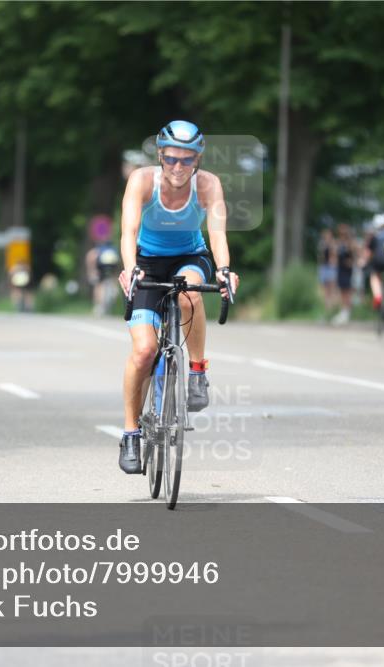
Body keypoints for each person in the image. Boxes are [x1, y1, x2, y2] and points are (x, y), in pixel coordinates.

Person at [115, 120, 240, 474]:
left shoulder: (208, 185)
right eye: (171, 159)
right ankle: (130, 433)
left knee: (189, 296)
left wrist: (224, 269)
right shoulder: (141, 181)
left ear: (197, 159)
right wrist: (130, 268)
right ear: (160, 156)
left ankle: (197, 371)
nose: (178, 167)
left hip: (189, 257)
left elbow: (217, 235)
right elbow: (129, 231)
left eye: (187, 160)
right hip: (147, 263)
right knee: (143, 352)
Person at [334, 224, 357, 324]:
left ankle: (347, 312)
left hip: (347, 270)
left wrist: (351, 262)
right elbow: (334, 255)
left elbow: (355, 255)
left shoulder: (351, 243)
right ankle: (343, 311)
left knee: (347, 291)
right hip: (340, 269)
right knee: (342, 291)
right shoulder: (338, 243)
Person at [317, 227, 338, 315]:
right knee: (325, 290)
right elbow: (320, 255)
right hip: (324, 267)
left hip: (331, 267)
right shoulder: (322, 244)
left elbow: (335, 254)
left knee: (332, 289)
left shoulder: (333, 243)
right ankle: (327, 309)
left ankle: (332, 309)